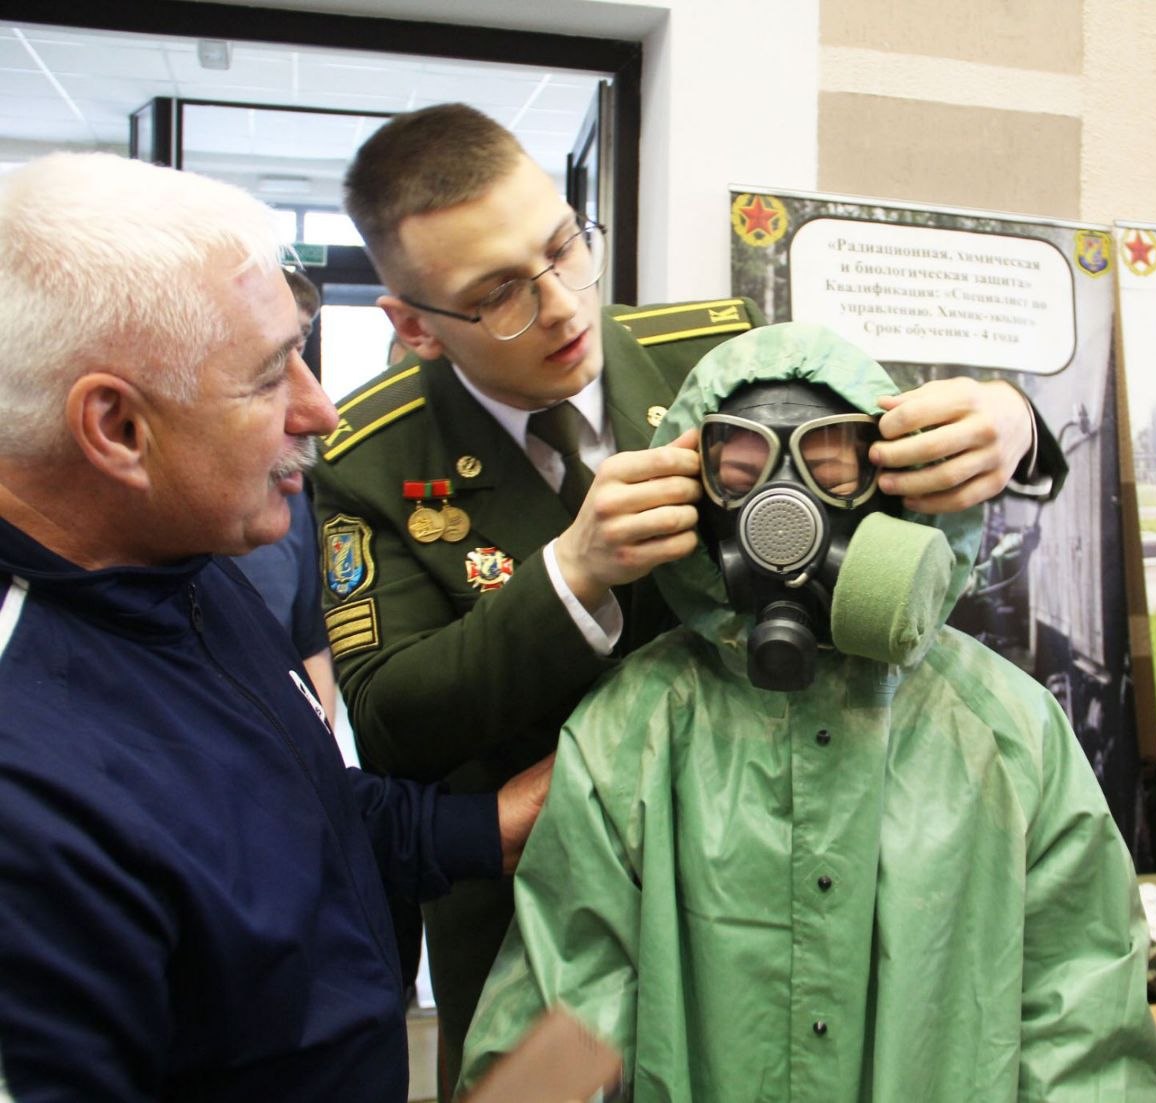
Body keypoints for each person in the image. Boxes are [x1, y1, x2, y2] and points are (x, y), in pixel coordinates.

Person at [310, 102, 1068, 1088]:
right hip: (546, 921)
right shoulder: (367, 458)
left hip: (787, 850)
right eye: (497, 293)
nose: (563, 308)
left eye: (561, 247)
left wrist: (1015, 422)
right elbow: (392, 717)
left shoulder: (711, 359)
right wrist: (569, 575)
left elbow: (903, 435)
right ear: (413, 324)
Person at [458, 324, 1156, 1101]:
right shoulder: (631, 733)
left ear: (898, 494)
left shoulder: (1009, 732)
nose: (783, 511)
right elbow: (568, 1014)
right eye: (741, 472)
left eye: (829, 470)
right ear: (692, 502)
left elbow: (1084, 1034)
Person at [0, 151, 552, 1102]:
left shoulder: (175, 574)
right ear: (118, 428)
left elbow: (295, 813)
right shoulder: (29, 803)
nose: (319, 409)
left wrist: (494, 826)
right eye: (266, 379)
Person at [231, 266, 337, 721]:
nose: (321, 414)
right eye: (270, 371)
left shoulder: (289, 498)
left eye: (300, 346)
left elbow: (309, 641)